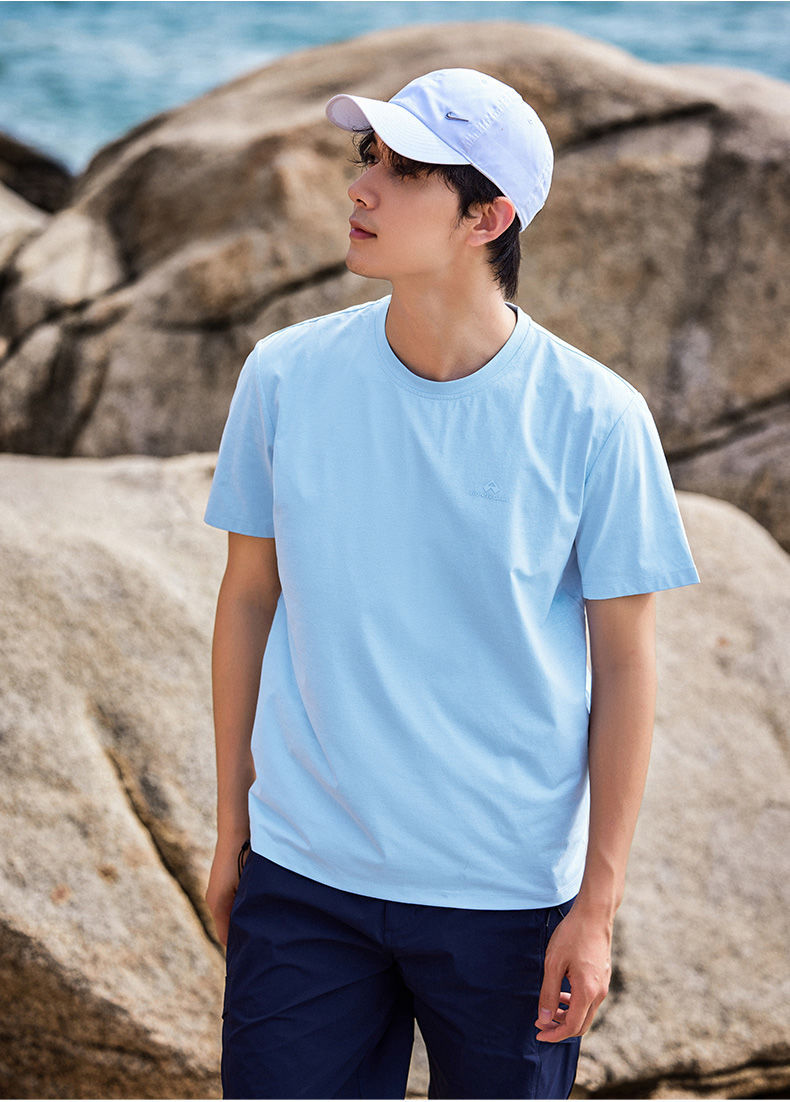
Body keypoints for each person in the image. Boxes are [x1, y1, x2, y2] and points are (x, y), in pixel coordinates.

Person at [204, 68, 700, 1100]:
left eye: (403, 170)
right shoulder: (284, 377)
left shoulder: (596, 419)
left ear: (488, 217)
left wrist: (596, 907)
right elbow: (249, 597)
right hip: (307, 879)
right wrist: (231, 824)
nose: (361, 187)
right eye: (368, 158)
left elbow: (625, 665)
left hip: (508, 898)